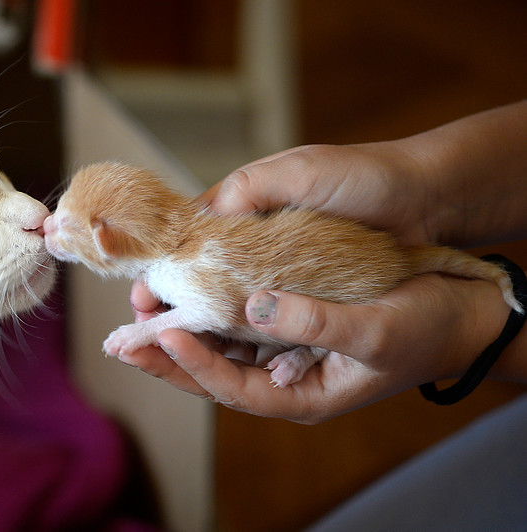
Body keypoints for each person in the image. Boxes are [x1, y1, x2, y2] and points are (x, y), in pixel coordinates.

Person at [119, 100, 527, 424]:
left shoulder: (173, 271)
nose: (51, 229)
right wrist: (422, 191)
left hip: (353, 276)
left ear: (111, 239)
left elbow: (213, 309)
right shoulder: (176, 260)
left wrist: (464, 330)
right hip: (348, 257)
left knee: (318, 309)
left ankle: (311, 349)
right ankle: (309, 348)